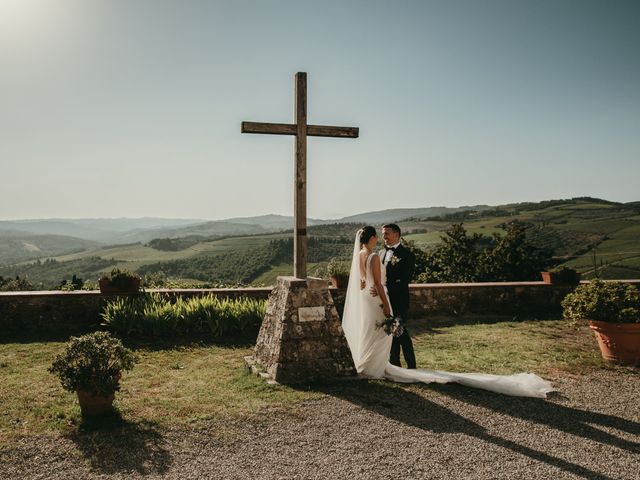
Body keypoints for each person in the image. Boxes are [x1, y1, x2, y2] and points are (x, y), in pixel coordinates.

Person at [342, 226, 555, 398]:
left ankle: (408, 365)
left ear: (397, 234)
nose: (383, 238)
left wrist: (381, 289)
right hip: (381, 298)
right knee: (389, 333)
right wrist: (380, 291)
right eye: (380, 235)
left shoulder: (402, 254)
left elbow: (400, 278)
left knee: (398, 332)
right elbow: (372, 280)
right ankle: (389, 365)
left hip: (391, 297)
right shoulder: (377, 254)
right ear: (370, 239)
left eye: (387, 234)